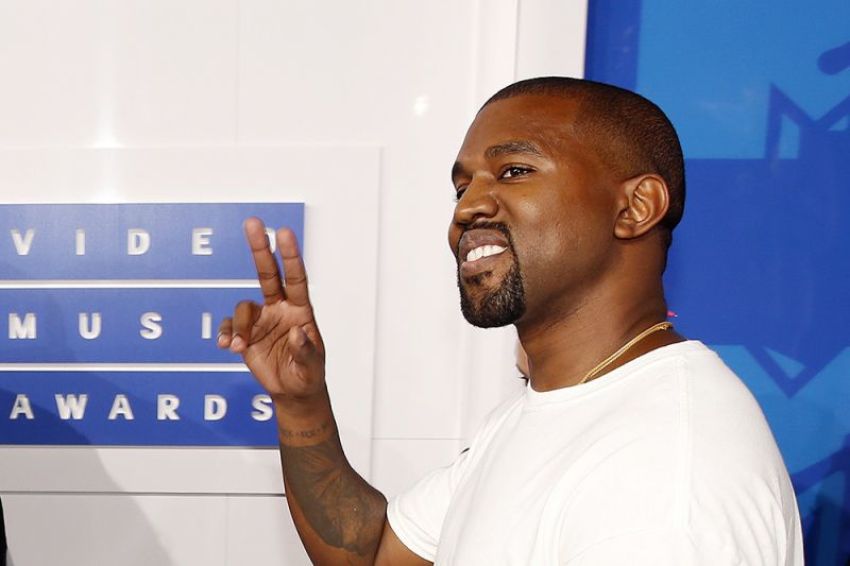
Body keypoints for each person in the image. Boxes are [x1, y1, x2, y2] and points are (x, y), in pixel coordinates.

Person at [217, 77, 803, 565]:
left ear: (635, 207)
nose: (468, 206)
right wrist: (302, 403)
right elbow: (374, 556)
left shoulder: (667, 473)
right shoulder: (558, 404)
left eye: (515, 171)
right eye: (461, 185)